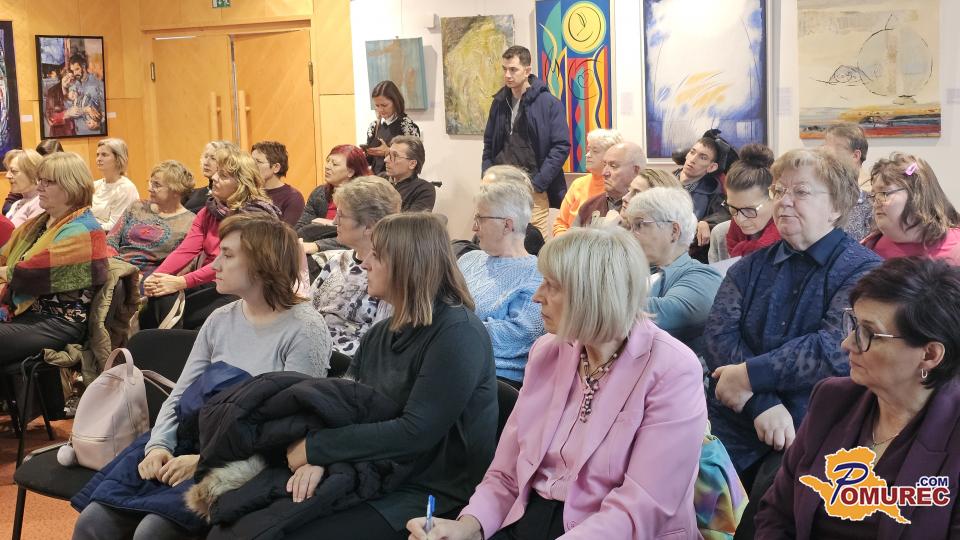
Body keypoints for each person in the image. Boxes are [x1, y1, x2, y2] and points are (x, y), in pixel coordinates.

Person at [408, 226, 708, 540]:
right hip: (532, 516)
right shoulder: (547, 352)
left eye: (552, 286)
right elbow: (507, 471)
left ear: (594, 294)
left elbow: (642, 507)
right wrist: (468, 526)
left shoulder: (672, 369)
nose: (537, 296)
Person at [72, 214, 333, 540]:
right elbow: (181, 394)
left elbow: (287, 429)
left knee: (154, 532)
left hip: (245, 460)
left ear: (262, 264)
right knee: (93, 522)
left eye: (228, 255)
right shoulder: (220, 319)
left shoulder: (305, 329)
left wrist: (203, 462)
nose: (216, 264)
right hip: (189, 440)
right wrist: (158, 445)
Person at [278, 213, 496, 539]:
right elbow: (345, 406)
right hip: (378, 469)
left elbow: (415, 433)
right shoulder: (380, 333)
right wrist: (318, 460)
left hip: (430, 490)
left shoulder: (458, 333)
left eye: (376, 255)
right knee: (271, 515)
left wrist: (317, 447)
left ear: (408, 264)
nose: (365, 263)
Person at [703, 148, 882, 539]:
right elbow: (718, 337)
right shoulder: (750, 266)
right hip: (736, 416)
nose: (784, 201)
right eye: (779, 190)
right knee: (691, 501)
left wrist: (748, 376)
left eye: (800, 192)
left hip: (813, 422)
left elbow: (835, 347)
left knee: (764, 518)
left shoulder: (865, 270)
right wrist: (760, 403)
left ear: (836, 206)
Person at [754, 257, 960, 538]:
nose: (847, 343)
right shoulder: (832, 399)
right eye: (854, 325)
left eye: (870, 333)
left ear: (930, 354)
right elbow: (777, 513)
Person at [140, 148, 280, 330]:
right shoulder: (209, 211)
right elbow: (186, 250)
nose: (214, 177)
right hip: (209, 281)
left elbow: (230, 263)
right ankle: (164, 345)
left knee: (184, 310)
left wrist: (182, 281)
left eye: (223, 175)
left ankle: (178, 345)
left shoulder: (255, 217)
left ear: (241, 183)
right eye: (216, 173)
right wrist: (156, 277)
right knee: (159, 296)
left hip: (243, 287)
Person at [0, 152, 110, 365]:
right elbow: (6, 258)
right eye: (40, 180)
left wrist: (4, 274)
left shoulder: (85, 229)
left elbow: (33, 273)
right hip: (25, 312)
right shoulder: (39, 224)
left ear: (72, 186)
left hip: (57, 321)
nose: (39, 187)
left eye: (48, 182)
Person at [460, 179, 544, 387]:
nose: (474, 227)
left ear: (507, 225)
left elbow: (521, 334)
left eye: (480, 219)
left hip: (494, 380)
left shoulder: (537, 274)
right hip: (448, 362)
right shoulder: (469, 259)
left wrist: (449, 328)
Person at [309, 176, 399, 363]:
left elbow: (380, 344)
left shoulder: (390, 273)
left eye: (341, 215)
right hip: (310, 347)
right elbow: (309, 311)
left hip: (347, 363)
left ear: (368, 226)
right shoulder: (337, 261)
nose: (334, 222)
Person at [482, 45, 569, 236]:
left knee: (533, 242)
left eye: (513, 69)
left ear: (527, 70)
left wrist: (537, 184)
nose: (507, 75)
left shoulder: (549, 103)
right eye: (505, 69)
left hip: (533, 190)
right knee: (501, 239)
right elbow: (488, 143)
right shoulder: (499, 102)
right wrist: (486, 175)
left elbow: (561, 147)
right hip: (501, 187)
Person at [623, 187, 722, 346]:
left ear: (674, 231)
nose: (630, 234)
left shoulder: (704, 277)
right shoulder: (631, 267)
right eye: (630, 226)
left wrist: (591, 297)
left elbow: (660, 315)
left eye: (639, 225)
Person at [861, 153, 960, 265]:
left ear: (916, 195)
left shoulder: (955, 249)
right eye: (874, 195)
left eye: (884, 193)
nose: (876, 203)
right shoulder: (871, 245)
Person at [107, 160, 196, 279]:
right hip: (118, 269)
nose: (150, 188)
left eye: (157, 185)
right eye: (151, 183)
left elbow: (186, 263)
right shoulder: (137, 206)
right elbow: (111, 239)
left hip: (154, 278)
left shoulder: (190, 222)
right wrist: (112, 265)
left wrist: (154, 280)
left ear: (176, 191)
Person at [708, 144, 780, 263]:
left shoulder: (794, 243)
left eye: (749, 210)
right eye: (733, 208)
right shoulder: (721, 235)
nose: (740, 219)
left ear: (774, 198)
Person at [552, 129, 623, 236]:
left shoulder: (617, 188)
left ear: (610, 156)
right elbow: (560, 224)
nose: (587, 155)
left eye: (595, 151)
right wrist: (567, 243)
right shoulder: (578, 184)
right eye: (588, 150)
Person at [676, 132, 733, 251]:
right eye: (692, 152)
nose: (693, 159)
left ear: (711, 167)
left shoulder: (713, 193)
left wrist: (706, 223)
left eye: (702, 157)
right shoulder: (662, 181)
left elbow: (726, 214)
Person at [297, 144, 372, 231]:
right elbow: (301, 227)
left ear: (350, 172)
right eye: (328, 161)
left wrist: (323, 225)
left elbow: (357, 232)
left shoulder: (363, 197)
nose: (327, 167)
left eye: (335, 164)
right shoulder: (319, 192)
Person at [821, 122, 873, 241]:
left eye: (830, 152)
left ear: (855, 156)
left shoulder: (872, 195)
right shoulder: (825, 189)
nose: (824, 157)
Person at [574, 142, 645, 228]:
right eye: (604, 165)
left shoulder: (648, 209)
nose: (604, 173)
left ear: (635, 170)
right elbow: (572, 236)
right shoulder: (589, 206)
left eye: (613, 166)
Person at [364, 80, 421, 175]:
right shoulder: (374, 126)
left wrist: (388, 152)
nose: (380, 109)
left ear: (395, 102)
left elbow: (415, 160)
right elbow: (370, 160)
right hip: (377, 179)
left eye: (384, 105)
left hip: (398, 179)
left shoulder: (407, 126)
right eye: (377, 105)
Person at [251, 140, 305, 227]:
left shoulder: (293, 198)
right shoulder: (248, 190)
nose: (251, 166)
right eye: (251, 161)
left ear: (276, 167)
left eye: (258, 162)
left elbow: (287, 232)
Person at [91, 138, 140, 231]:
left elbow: (115, 227)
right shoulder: (95, 185)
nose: (99, 159)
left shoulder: (126, 188)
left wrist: (85, 228)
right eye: (97, 155)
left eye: (104, 155)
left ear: (118, 159)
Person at [184, 141, 239, 214]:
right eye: (206, 156)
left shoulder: (230, 198)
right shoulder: (191, 193)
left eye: (213, 158)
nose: (206, 163)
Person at [384, 135, 435, 212]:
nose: (386, 159)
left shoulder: (423, 189)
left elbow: (412, 219)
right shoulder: (380, 179)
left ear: (412, 164)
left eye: (395, 156)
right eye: (388, 154)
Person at [68, 53, 106, 135]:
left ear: (83, 66)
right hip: (77, 133)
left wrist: (99, 123)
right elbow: (70, 110)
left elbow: (105, 109)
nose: (75, 73)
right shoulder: (73, 86)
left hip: (93, 133)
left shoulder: (97, 84)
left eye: (77, 69)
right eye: (72, 70)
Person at [4, 149, 44, 226]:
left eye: (14, 171)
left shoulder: (41, 203)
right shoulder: (16, 204)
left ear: (32, 173)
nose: (7, 176)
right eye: (8, 170)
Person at [43, 68, 77, 138]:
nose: (68, 81)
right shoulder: (52, 92)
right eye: (67, 77)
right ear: (62, 77)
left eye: (71, 79)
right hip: (60, 133)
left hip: (74, 132)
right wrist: (67, 114)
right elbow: (50, 118)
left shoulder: (74, 90)